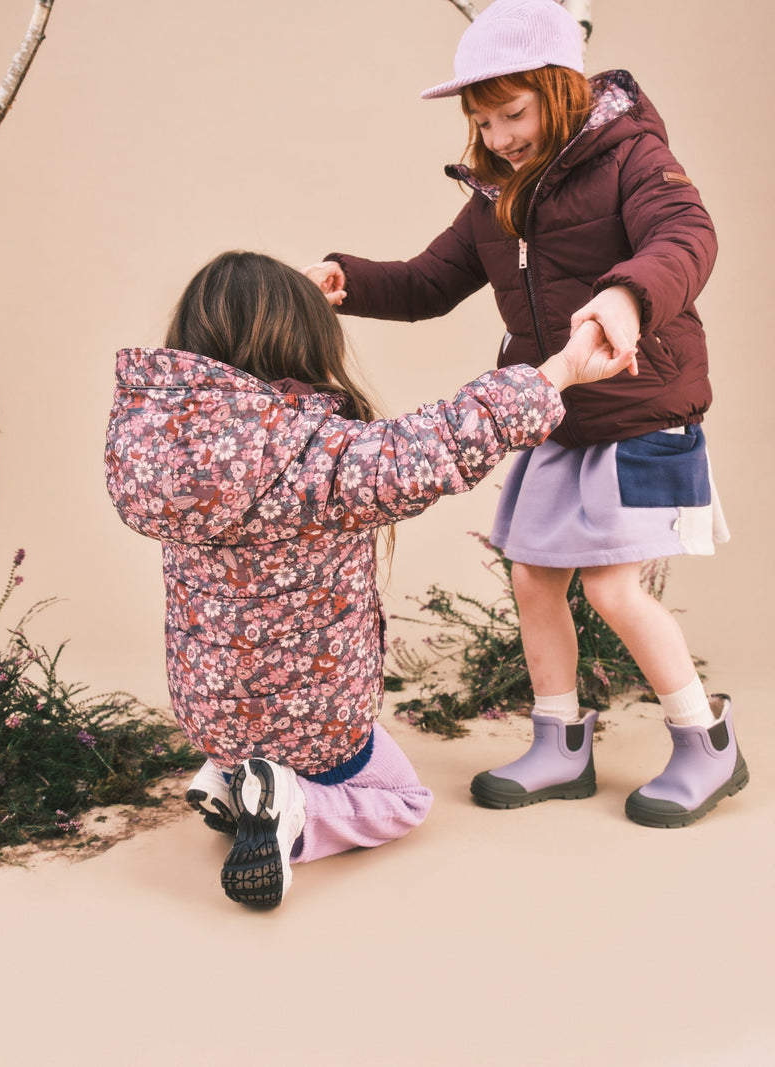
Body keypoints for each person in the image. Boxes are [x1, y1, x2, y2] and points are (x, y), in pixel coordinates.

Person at [303, 0, 747, 829]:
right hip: (558, 414)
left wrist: (627, 295)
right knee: (534, 577)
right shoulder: (497, 195)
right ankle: (559, 742)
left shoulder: (632, 157)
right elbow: (428, 283)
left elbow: (687, 234)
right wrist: (347, 279)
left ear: (562, 89)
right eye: (483, 119)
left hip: (643, 406)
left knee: (614, 587)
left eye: (514, 112)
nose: (501, 135)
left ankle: (705, 741)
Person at [104, 249, 633, 909]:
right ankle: (290, 801)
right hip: (317, 722)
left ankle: (228, 776)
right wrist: (559, 372)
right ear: (300, 339)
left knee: (257, 735)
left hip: (208, 708)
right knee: (403, 798)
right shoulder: (311, 451)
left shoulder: (158, 446)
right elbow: (428, 446)